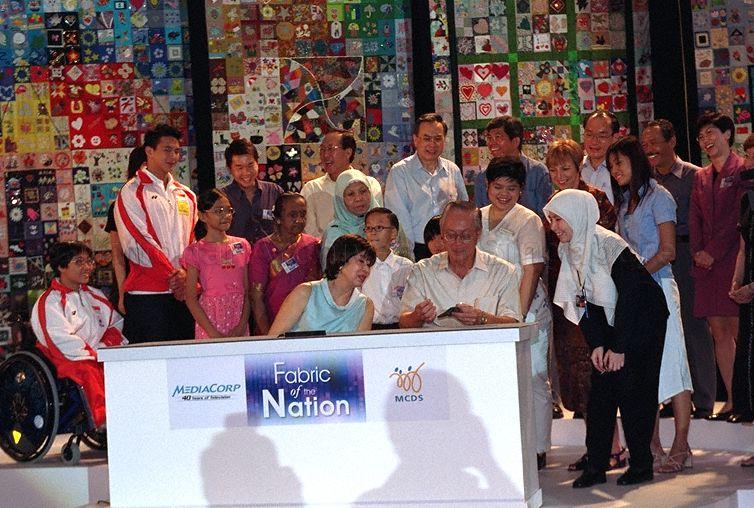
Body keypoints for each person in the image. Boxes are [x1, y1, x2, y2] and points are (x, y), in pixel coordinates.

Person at [543, 189, 668, 488]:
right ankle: (596, 466)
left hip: (643, 323)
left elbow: (631, 297)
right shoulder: (570, 249)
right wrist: (597, 344)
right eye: (551, 220)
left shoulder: (609, 244)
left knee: (633, 393)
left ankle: (641, 465)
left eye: (559, 219)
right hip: (612, 323)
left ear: (576, 215)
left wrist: (619, 347)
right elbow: (583, 301)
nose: (554, 227)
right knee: (600, 396)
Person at [608, 136, 694, 473]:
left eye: (619, 163)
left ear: (636, 161)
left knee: (674, 363)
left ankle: (682, 444)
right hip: (636, 296)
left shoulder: (660, 196)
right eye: (611, 166)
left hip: (660, 288)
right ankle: (652, 443)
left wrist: (636, 277)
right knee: (645, 370)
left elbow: (668, 251)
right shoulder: (624, 202)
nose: (615, 170)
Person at [544, 139, 624, 473]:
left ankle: (612, 447)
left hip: (593, 297)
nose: (560, 175)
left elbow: (596, 250)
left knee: (597, 373)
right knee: (576, 377)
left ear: (580, 167)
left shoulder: (596, 199)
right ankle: (597, 447)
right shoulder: (552, 204)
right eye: (553, 169)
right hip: (566, 302)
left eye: (566, 168)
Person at [477, 157, 552, 470]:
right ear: (487, 186)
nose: (504, 194)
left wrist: (517, 318)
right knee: (495, 381)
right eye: (498, 186)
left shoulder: (528, 220)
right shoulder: (477, 216)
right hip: (488, 314)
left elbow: (532, 270)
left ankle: (538, 448)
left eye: (511, 188)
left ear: (521, 190)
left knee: (533, 377)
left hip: (527, 311)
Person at [642, 119, 715, 419]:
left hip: (686, 253)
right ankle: (673, 396)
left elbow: (708, 219)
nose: (649, 149)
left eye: (654, 143)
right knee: (666, 328)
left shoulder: (694, 176)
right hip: (655, 256)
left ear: (672, 142)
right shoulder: (645, 180)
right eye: (645, 145)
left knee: (694, 326)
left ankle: (706, 398)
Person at [30, 242, 127, 429]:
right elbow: (59, 339)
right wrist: (94, 354)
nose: (87, 267)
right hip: (64, 358)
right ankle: (104, 424)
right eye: (79, 262)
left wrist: (106, 348)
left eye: (89, 261)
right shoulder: (49, 301)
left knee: (123, 365)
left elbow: (115, 323)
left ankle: (128, 418)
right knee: (89, 371)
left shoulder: (95, 295)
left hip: (96, 353)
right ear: (61, 267)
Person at [114, 124, 197, 342]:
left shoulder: (186, 194)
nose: (173, 156)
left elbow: (194, 242)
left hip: (184, 293)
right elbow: (139, 242)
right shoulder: (131, 191)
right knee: (153, 360)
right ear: (149, 151)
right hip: (148, 296)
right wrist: (176, 278)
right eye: (167, 150)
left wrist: (187, 277)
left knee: (186, 356)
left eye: (177, 151)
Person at [689, 112, 747, 421]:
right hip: (707, 267)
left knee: (740, 330)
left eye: (711, 133)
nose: (706, 140)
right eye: (701, 137)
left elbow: (738, 218)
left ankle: (747, 397)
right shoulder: (700, 176)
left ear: (727, 134)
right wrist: (698, 251)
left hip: (734, 259)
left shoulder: (742, 169)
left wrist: (712, 251)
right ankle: (733, 398)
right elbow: (694, 217)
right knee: (718, 333)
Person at [399, 200, 520, 329]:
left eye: (465, 236)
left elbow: (515, 324)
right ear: (442, 234)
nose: (458, 242)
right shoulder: (422, 271)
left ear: (478, 233)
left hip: (484, 342)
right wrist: (417, 316)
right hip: (435, 341)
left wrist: (482, 318)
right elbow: (403, 323)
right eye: (450, 235)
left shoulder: (503, 272)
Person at [385, 113, 469, 261]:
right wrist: (407, 257)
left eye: (438, 138)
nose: (432, 144)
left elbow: (464, 211)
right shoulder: (400, 172)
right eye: (427, 138)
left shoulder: (452, 170)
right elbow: (400, 219)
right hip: (417, 250)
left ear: (444, 140)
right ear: (416, 140)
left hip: (451, 248)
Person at [268, 234, 375, 335]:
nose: (366, 269)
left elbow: (361, 346)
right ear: (341, 259)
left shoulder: (365, 305)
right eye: (361, 261)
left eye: (369, 264)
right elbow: (274, 339)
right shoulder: (305, 292)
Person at [181, 189, 251, 339]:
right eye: (219, 211)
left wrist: (241, 326)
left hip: (238, 318)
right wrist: (212, 333)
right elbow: (191, 299)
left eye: (229, 210)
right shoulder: (195, 251)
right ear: (202, 216)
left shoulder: (242, 245)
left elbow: (246, 292)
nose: (226, 215)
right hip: (210, 321)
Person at [250, 193, 321, 335]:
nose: (299, 220)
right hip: (273, 322)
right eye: (292, 215)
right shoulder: (263, 248)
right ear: (278, 218)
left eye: (303, 214)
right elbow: (256, 297)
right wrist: (269, 337)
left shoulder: (312, 245)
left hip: (308, 324)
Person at [301, 129, 383, 238]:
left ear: (348, 153)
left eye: (330, 149)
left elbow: (379, 223)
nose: (325, 155)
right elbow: (309, 234)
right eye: (322, 149)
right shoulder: (312, 188)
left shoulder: (370, 184)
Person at [474, 116, 552, 217]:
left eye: (498, 137)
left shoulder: (538, 172)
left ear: (515, 141)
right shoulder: (482, 176)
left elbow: (547, 214)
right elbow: (479, 215)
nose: (492, 143)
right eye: (489, 138)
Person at [728, 135, 754, 425]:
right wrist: (736, 283)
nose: (748, 163)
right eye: (747, 156)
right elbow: (743, 246)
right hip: (748, 285)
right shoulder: (747, 198)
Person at [106, 145, 146, 314]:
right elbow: (118, 256)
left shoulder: (173, 199)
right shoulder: (120, 205)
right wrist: (122, 293)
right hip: (132, 283)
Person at [223, 139, 284, 245]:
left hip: (273, 254)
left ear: (257, 163)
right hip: (236, 255)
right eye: (239, 167)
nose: (246, 172)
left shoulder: (274, 191)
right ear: (229, 169)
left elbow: (286, 225)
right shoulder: (222, 197)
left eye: (250, 165)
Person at [361, 208, 413, 329]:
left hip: (399, 327)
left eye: (379, 228)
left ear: (393, 233)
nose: (373, 232)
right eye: (369, 228)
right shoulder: (361, 266)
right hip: (369, 327)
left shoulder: (406, 266)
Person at [320, 168, 380, 265]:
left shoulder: (386, 224)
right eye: (351, 194)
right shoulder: (334, 233)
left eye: (363, 191)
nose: (358, 198)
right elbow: (332, 271)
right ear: (340, 200)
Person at [581, 110, 621, 204]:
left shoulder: (622, 170)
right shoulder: (576, 167)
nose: (594, 141)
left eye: (602, 136)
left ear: (615, 137)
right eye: (589, 135)